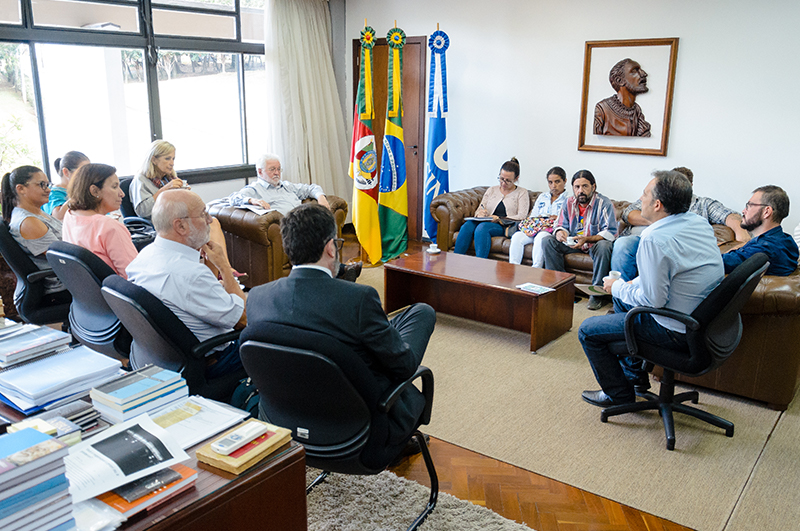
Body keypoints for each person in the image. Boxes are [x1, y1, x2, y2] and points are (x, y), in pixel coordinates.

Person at [245, 203, 436, 446]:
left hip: (284, 421)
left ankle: (383, 335)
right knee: (422, 314)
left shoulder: (257, 298)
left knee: (403, 319)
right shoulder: (359, 298)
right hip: (359, 432)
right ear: (330, 248)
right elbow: (405, 368)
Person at [580, 170, 724, 406]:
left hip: (672, 328)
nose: (641, 198)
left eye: (645, 194)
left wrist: (616, 287)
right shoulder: (697, 223)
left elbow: (653, 301)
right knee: (621, 300)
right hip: (701, 320)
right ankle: (634, 377)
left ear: (657, 204)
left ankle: (619, 395)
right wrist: (625, 286)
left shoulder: (654, 239)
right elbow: (670, 273)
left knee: (588, 330)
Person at [126, 189, 246, 379]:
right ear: (180, 226)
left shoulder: (144, 256)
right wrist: (224, 266)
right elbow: (242, 320)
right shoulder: (190, 275)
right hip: (217, 361)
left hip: (162, 360)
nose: (209, 220)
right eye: (203, 214)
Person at [612, 167, 750, 281]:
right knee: (622, 244)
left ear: (689, 186)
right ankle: (618, 296)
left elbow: (729, 215)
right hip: (637, 240)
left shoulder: (702, 204)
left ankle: (623, 298)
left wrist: (741, 233)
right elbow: (627, 213)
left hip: (671, 246)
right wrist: (659, 220)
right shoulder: (654, 199)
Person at [541, 170, 617, 310]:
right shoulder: (568, 202)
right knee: (548, 241)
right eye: (577, 187)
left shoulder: (604, 203)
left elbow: (610, 232)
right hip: (574, 243)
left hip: (594, 244)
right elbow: (560, 224)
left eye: (585, 186)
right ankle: (559, 288)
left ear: (593, 187)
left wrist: (587, 239)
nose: (580, 191)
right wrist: (560, 233)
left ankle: (597, 294)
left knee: (605, 246)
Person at [1, 165, 69, 301]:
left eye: (48, 184)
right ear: (20, 189)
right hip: (61, 287)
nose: (48, 189)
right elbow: (64, 258)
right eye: (42, 185)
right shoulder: (28, 222)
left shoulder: (37, 212)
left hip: (68, 279)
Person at [62, 163, 138, 278]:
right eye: (114, 187)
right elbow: (134, 277)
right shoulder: (109, 227)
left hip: (88, 293)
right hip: (115, 293)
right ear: (95, 191)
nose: (122, 194)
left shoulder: (70, 215)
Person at [454, 157, 529, 259]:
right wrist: (480, 214)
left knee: (482, 228)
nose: (503, 183)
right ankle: (455, 260)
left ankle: (481, 265)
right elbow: (480, 208)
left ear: (516, 179)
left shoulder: (522, 193)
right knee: (467, 226)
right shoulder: (492, 190)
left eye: (508, 181)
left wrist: (499, 219)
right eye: (501, 179)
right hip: (485, 220)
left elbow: (522, 216)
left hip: (505, 226)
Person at [722, 185, 798, 276]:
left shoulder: (764, 249)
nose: (743, 211)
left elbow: (715, 265)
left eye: (749, 206)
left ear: (766, 212)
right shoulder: (787, 241)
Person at [228, 153, 331, 214]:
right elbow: (233, 198)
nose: (277, 173)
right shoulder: (255, 189)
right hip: (288, 227)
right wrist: (252, 200)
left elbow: (312, 188)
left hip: (303, 220)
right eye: (272, 169)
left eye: (278, 169)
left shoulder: (287, 186)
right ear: (260, 172)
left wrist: (321, 198)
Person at [509, 166, 568, 267]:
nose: (553, 186)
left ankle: (536, 269)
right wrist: (540, 217)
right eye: (550, 182)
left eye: (557, 182)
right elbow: (533, 216)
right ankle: (512, 268)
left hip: (550, 231)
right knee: (517, 237)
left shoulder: (568, 200)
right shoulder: (542, 197)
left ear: (565, 181)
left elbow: (567, 221)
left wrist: (556, 218)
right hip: (535, 228)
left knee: (541, 237)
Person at [130, 139, 188, 219]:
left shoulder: (169, 178)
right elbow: (142, 211)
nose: (172, 163)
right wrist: (165, 190)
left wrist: (184, 193)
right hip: (158, 223)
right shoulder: (141, 179)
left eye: (173, 159)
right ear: (154, 160)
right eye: (167, 159)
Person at [594, 58, 651, 137]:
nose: (644, 74)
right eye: (635, 70)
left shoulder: (636, 110)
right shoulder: (602, 109)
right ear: (620, 80)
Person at [44, 151, 89, 220]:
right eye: (83, 172)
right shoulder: (53, 193)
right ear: (66, 172)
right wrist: (78, 194)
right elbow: (58, 216)